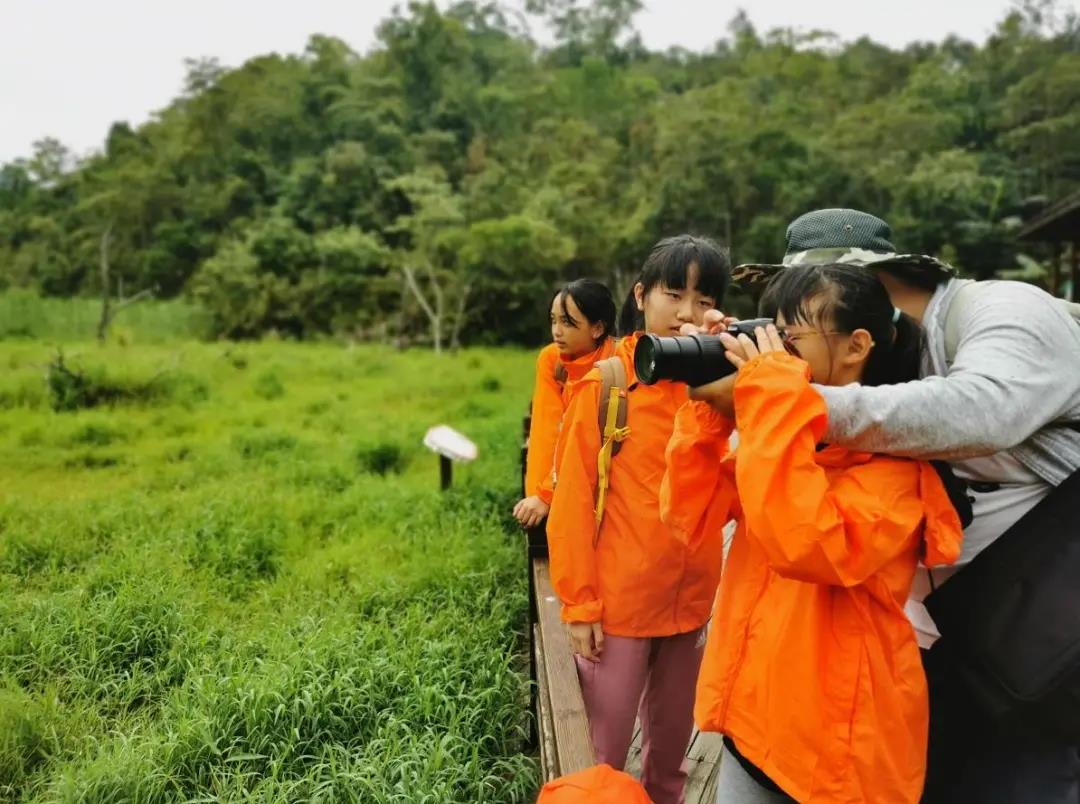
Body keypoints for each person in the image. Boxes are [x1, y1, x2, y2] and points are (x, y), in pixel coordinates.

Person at [692, 208, 1080, 803]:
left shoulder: (1005, 310)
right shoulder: (886, 369)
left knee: (1032, 773)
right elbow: (697, 513)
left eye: (794, 324)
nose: (783, 336)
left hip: (1044, 613)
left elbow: (981, 413)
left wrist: (784, 398)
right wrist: (718, 401)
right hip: (958, 632)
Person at [663, 262, 962, 802]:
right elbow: (689, 516)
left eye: (791, 336)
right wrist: (713, 415)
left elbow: (806, 545)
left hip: (835, 756)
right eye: (771, 331)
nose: (774, 350)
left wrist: (771, 403)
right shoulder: (790, 440)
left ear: (856, 346)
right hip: (752, 725)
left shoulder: (897, 471)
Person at [547, 234, 729, 804]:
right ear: (641, 294)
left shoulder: (720, 384)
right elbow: (572, 501)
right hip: (619, 606)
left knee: (672, 762)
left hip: (692, 601)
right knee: (601, 764)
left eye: (704, 300)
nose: (688, 313)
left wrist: (732, 381)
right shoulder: (608, 385)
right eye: (674, 294)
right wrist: (578, 605)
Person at [514, 279, 616, 529]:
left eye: (567, 322)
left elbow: (593, 439)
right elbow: (546, 430)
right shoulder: (552, 359)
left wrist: (547, 493)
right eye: (553, 320)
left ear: (597, 328)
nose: (557, 331)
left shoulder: (616, 364)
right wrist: (540, 495)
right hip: (565, 479)